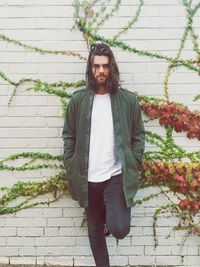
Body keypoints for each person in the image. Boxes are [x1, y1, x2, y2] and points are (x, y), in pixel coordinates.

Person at [62, 43, 145, 267]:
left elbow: (138, 134)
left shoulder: (127, 100)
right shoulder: (78, 101)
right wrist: (70, 164)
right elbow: (69, 135)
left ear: (111, 68)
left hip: (115, 175)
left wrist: (134, 161)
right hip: (87, 177)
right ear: (90, 69)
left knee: (119, 228)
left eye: (105, 66)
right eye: (96, 66)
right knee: (95, 231)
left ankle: (111, 219)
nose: (100, 71)